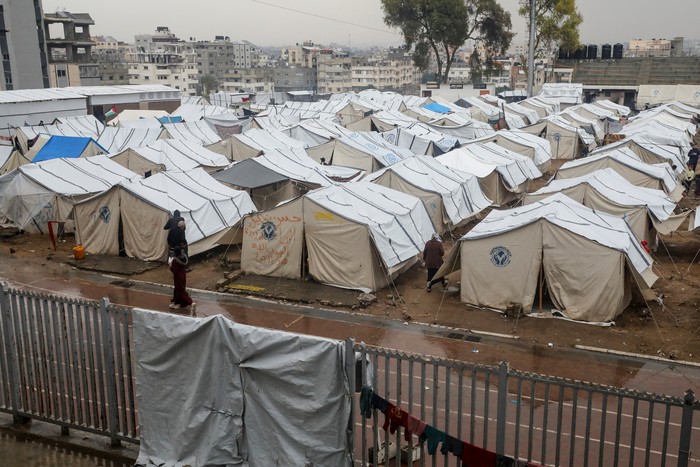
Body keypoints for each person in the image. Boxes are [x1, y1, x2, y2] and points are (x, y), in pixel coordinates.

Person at [169, 246, 196, 315]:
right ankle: (177, 303)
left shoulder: (175, 260)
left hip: (178, 277)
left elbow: (174, 270)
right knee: (178, 289)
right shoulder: (184, 258)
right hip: (183, 275)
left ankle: (191, 302)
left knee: (180, 291)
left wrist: (170, 265)